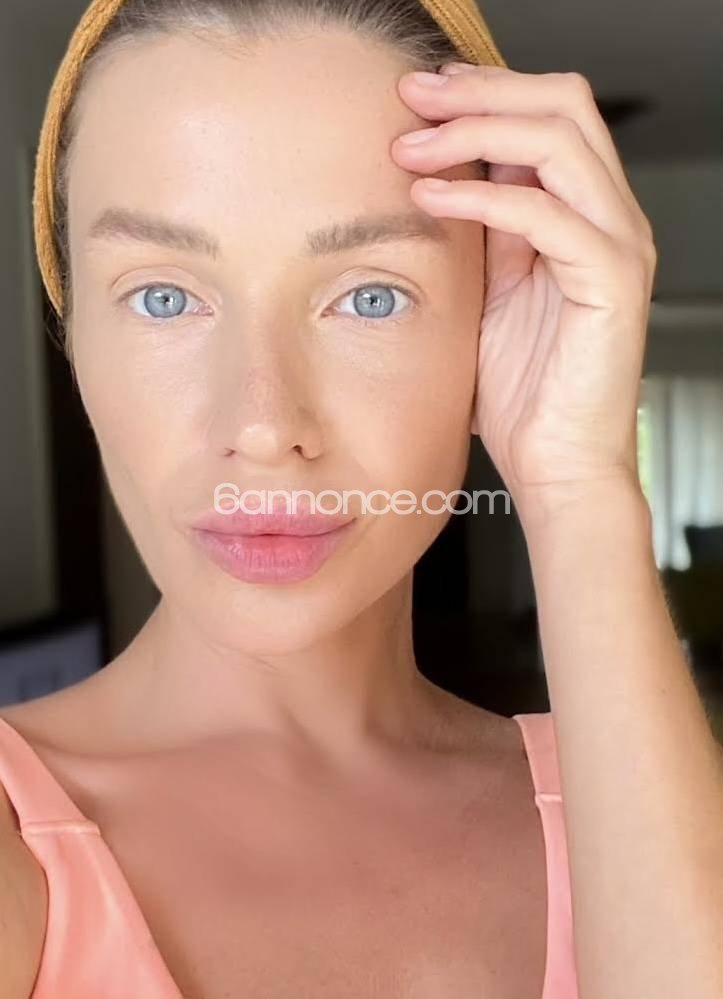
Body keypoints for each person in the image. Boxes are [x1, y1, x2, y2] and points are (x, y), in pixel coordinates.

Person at [1, 0, 722, 996]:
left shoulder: (632, 798)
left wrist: (578, 485)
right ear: (74, 332)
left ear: (487, 325)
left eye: (370, 296)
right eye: (164, 297)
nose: (264, 422)